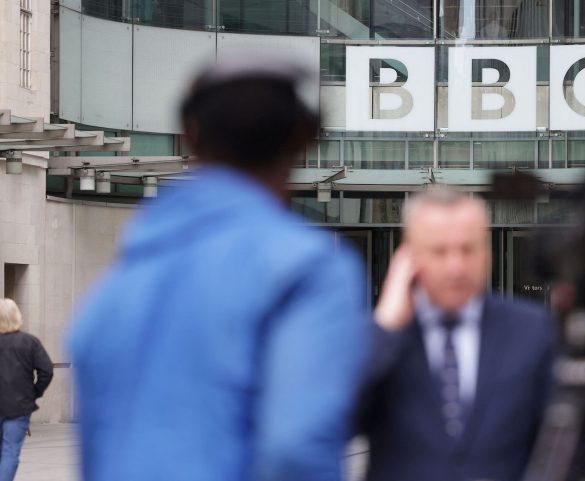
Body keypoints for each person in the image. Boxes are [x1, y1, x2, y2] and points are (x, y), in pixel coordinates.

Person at [69, 58, 369, 481]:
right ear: (306, 139)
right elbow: (295, 448)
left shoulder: (116, 286)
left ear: (190, 135)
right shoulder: (308, 267)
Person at [360, 188, 554, 481]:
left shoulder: (533, 329)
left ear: (487, 250)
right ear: (408, 254)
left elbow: (561, 452)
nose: (456, 267)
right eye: (439, 250)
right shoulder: (383, 338)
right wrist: (385, 327)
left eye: (468, 249)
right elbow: (336, 420)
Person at [0, 298, 53, 481]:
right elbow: (46, 370)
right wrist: (34, 392)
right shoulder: (29, 342)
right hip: (19, 406)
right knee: (10, 452)